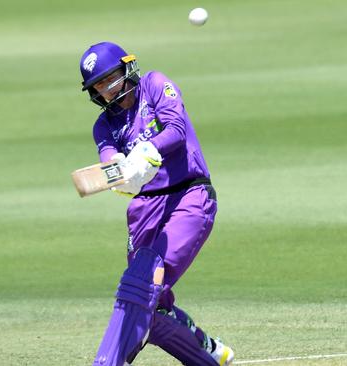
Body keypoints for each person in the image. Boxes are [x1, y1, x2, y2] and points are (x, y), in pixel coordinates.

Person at [79, 41, 234, 366]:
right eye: (99, 86)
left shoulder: (154, 85)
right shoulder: (104, 126)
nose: (108, 89)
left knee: (142, 281)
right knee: (153, 304)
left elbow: (176, 130)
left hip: (189, 195)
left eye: (111, 79)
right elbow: (109, 163)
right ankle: (207, 353)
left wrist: (146, 152)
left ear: (126, 69)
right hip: (144, 211)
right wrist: (121, 175)